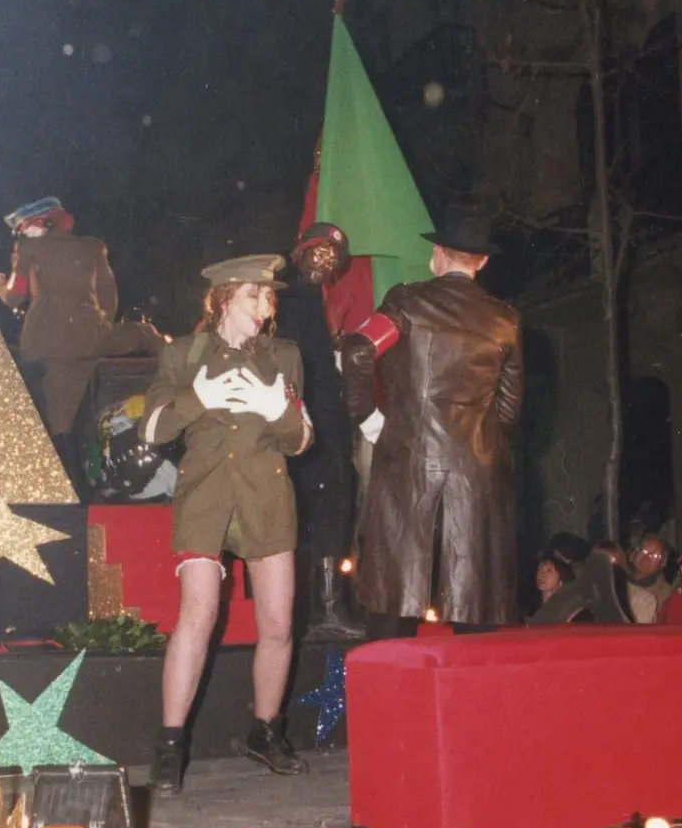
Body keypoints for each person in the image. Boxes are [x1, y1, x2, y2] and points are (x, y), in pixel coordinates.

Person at [142, 255, 314, 794]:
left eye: (269, 298)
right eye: (253, 297)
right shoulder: (183, 354)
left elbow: (302, 439)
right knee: (198, 614)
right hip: (206, 497)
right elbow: (151, 429)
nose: (265, 308)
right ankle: (170, 744)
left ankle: (265, 732)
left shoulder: (284, 356)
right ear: (223, 300)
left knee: (278, 625)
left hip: (267, 497)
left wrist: (276, 408)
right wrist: (200, 398)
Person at [341, 207, 522, 634]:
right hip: (478, 470)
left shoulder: (407, 303)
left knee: (396, 592)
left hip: (408, 460)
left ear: (437, 253)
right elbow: (509, 409)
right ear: (483, 261)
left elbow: (358, 349)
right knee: (472, 601)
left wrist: (368, 418)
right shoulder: (506, 321)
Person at [0, 196, 166, 442]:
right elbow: (108, 297)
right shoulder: (92, 248)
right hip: (93, 339)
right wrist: (96, 327)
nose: (20, 233)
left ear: (43, 223)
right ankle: (177, 375)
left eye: (23, 226)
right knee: (144, 333)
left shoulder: (28, 249)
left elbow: (14, 296)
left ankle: (65, 453)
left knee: (59, 424)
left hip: (47, 347)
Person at [280, 222, 360, 634]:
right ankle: (307, 610)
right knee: (305, 510)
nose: (323, 261)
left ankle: (327, 606)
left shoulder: (325, 302)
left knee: (334, 505)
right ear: (299, 255)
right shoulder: (288, 299)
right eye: (317, 251)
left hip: (328, 422)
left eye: (331, 256)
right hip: (299, 420)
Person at [623, 535, 674, 623]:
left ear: (663, 562)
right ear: (632, 554)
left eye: (655, 555)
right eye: (644, 551)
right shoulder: (616, 582)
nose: (647, 557)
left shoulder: (665, 594)